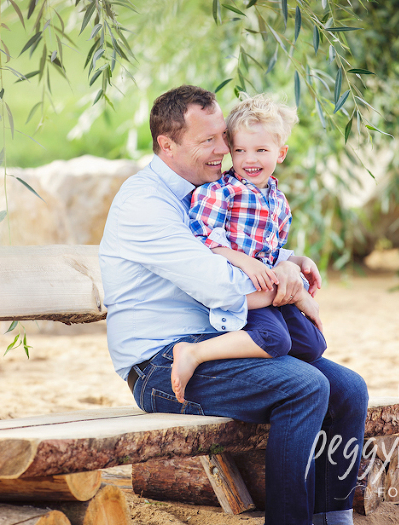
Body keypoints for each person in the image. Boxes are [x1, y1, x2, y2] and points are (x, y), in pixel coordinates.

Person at [99, 85, 368, 525]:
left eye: (222, 136)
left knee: (349, 389)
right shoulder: (145, 204)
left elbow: (246, 245)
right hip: (160, 366)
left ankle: (332, 518)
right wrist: (294, 289)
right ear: (167, 146)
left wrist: (290, 262)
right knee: (305, 386)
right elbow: (224, 287)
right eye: (208, 141)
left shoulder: (208, 188)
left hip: (222, 343)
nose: (224, 149)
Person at [170, 94, 328, 403]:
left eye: (261, 150)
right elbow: (201, 238)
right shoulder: (221, 192)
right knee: (275, 339)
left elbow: (272, 250)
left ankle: (261, 355)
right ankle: (195, 352)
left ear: (280, 153)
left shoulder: (278, 201)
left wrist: (297, 259)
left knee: (314, 345)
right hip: (243, 291)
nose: (249, 160)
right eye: (240, 150)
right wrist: (243, 261)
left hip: (269, 286)